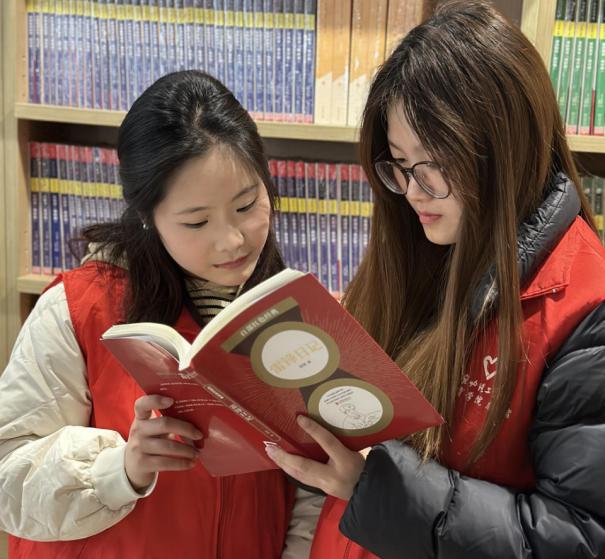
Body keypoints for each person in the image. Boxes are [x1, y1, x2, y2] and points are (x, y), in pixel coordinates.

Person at [265, 2, 605, 557]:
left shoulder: (586, 312)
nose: (412, 191)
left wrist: (378, 487)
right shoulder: (427, 242)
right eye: (400, 164)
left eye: (433, 163)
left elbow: (579, 537)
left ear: (505, 150)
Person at [0, 70, 322, 559]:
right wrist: (120, 469)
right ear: (147, 216)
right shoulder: (79, 308)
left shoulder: (294, 314)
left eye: (247, 205)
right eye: (197, 221)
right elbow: (8, 476)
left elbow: (310, 494)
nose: (232, 240)